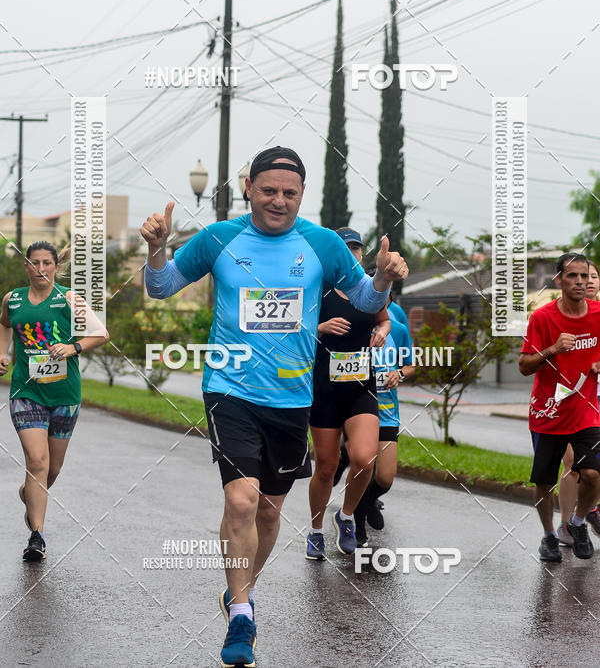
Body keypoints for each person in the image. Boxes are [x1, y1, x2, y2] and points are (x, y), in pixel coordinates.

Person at [141, 147, 409, 668]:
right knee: (241, 501)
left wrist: (381, 279)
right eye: (268, 190)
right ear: (249, 188)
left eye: (289, 192)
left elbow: (365, 301)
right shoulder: (219, 237)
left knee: (268, 511)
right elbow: (161, 287)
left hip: (292, 394)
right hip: (230, 386)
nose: (278, 201)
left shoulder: (324, 243)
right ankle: (241, 611)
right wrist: (156, 250)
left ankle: (240, 590)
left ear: (301, 195)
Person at [0, 241, 109, 561]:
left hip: (64, 394)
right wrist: (3, 353)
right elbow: (4, 325)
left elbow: (101, 334)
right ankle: (37, 536)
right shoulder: (13, 299)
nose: (40, 269)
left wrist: (73, 348)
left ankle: (28, 494)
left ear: (55, 267)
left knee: (53, 468)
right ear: (27, 266)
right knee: (37, 461)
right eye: (34, 263)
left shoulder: (69, 299)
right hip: (26, 391)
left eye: (46, 263)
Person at [306, 227, 390, 560]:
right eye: (344, 248)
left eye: (355, 249)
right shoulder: (317, 288)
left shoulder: (370, 289)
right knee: (326, 467)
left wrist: (382, 332)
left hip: (361, 387)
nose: (351, 254)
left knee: (364, 458)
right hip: (324, 390)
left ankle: (345, 516)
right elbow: (291, 328)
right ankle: (314, 531)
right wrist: (320, 328)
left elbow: (383, 319)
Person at [519, 252, 600, 562]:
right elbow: (525, 366)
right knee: (544, 481)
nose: (580, 282)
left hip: (585, 410)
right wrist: (553, 349)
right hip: (549, 411)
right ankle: (549, 535)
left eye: (585, 276)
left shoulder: (598, 313)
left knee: (592, 473)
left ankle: (578, 523)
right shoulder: (542, 318)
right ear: (559, 281)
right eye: (572, 276)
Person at [353, 314, 415, 546]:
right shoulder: (354, 323)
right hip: (357, 410)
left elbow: (409, 365)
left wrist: (398, 374)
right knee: (363, 469)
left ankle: (368, 503)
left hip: (387, 412)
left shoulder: (398, 330)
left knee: (385, 478)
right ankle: (356, 525)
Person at [557, 261, 600, 544]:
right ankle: (566, 526)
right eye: (584, 276)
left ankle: (587, 513)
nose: (589, 281)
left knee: (593, 466)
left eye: (594, 276)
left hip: (596, 401)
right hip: (568, 399)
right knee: (573, 463)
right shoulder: (559, 313)